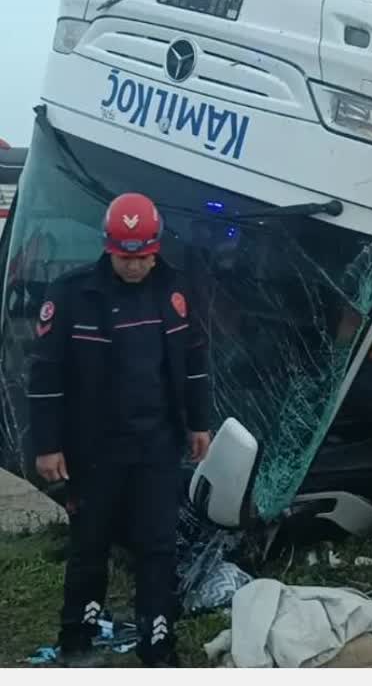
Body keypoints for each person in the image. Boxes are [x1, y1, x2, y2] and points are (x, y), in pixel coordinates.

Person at [27, 192, 211, 667]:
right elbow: (45, 374)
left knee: (157, 546)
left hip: (157, 445)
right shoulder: (72, 294)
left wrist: (199, 425)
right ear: (109, 248)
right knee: (90, 547)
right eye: (125, 256)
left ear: (156, 248)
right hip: (93, 449)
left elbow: (194, 364)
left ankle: (158, 644)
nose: (134, 266)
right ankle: (76, 641)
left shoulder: (176, 290)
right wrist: (46, 446)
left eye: (143, 256)